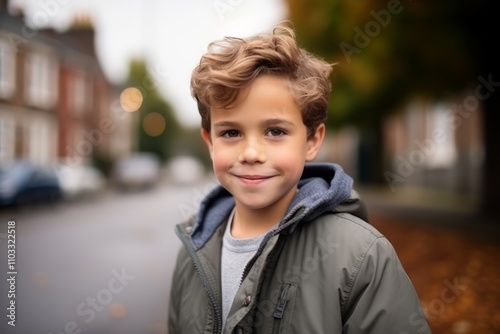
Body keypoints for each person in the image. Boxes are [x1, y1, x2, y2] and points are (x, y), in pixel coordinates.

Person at [168, 22, 431, 334]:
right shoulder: (192, 254)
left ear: (312, 141)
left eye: (275, 131)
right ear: (210, 142)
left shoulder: (362, 256)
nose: (251, 153)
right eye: (231, 132)